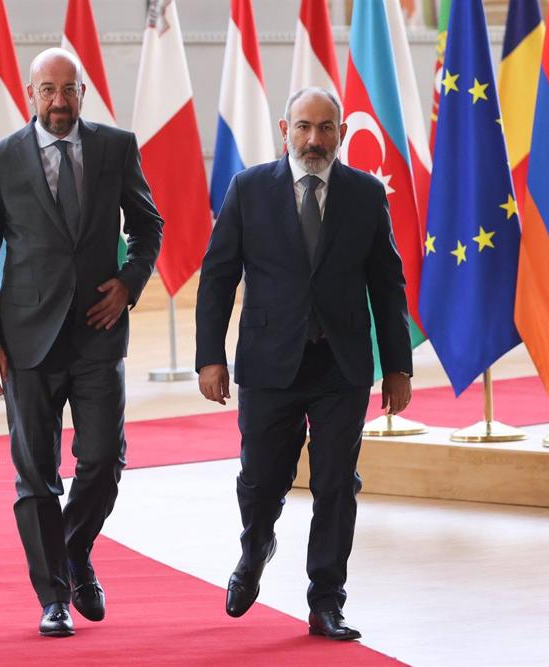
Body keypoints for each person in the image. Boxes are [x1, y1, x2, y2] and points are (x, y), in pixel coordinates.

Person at [195, 87, 412, 641]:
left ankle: (325, 601)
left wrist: (398, 366)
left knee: (337, 483)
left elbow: (387, 283)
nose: (314, 139)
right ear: (283, 129)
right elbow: (219, 276)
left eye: (325, 128)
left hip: (342, 365)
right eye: (303, 127)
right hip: (270, 363)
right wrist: (209, 358)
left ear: (341, 132)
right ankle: (256, 545)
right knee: (261, 479)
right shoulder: (248, 190)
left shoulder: (365, 194)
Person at [0, 48, 163, 637]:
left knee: (103, 462)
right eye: (46, 90)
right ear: (31, 95)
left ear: (83, 92)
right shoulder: (0, 160)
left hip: (99, 333)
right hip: (25, 342)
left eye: (67, 90)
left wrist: (128, 284)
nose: (57, 101)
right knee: (36, 474)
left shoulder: (114, 147)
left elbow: (148, 224)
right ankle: (53, 596)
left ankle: (74, 550)